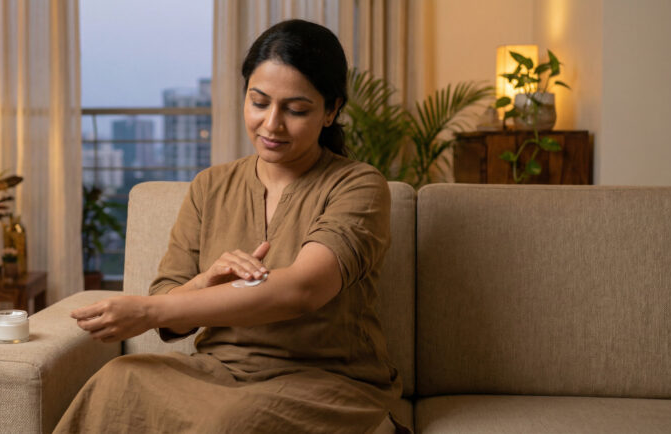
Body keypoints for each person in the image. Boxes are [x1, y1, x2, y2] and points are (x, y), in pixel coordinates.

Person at [55, 19, 407, 434]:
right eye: (259, 103)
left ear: (331, 111)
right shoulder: (210, 186)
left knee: (233, 422)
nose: (271, 124)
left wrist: (147, 311)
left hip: (325, 380)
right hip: (218, 371)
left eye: (296, 110)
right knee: (117, 381)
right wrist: (204, 282)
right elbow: (172, 315)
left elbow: (303, 290)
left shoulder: (358, 185)